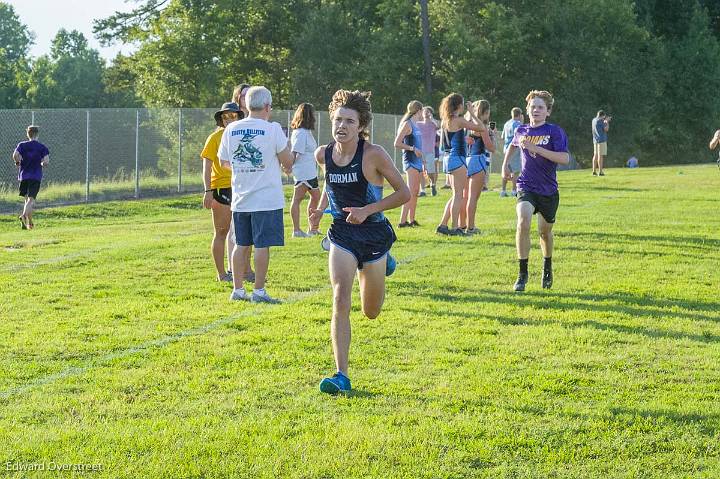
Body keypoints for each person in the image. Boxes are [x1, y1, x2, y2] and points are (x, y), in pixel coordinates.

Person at [309, 89, 410, 394]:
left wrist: (368, 210)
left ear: (361, 125)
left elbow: (404, 194)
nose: (341, 125)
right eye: (338, 119)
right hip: (341, 233)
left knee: (371, 312)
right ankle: (341, 375)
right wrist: (320, 209)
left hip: (374, 234)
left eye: (349, 121)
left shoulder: (374, 154)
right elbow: (331, 183)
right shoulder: (322, 154)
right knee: (340, 297)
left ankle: (385, 261)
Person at [219, 86, 293, 303]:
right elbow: (288, 161)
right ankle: (259, 291)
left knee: (241, 243)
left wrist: (245, 169)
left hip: (241, 199)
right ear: (268, 106)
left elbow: (223, 162)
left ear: (247, 105)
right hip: (267, 199)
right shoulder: (273, 129)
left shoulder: (231, 129)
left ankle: (238, 289)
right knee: (262, 245)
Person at [502, 90, 569, 292]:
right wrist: (505, 165)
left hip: (548, 190)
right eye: (533, 107)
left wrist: (537, 149)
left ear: (547, 111)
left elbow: (564, 159)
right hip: (526, 185)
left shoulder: (554, 132)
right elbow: (513, 146)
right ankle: (522, 274)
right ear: (527, 110)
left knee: (544, 232)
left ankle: (547, 266)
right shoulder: (521, 130)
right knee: (523, 220)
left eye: (540, 107)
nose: (536, 110)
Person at [201, 102, 242, 281]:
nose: (229, 119)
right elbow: (207, 165)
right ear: (221, 119)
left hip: (240, 185)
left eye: (233, 116)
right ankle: (221, 273)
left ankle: (241, 271)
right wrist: (208, 190)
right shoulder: (215, 137)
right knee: (222, 231)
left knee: (241, 232)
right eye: (225, 117)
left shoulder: (242, 135)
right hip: (221, 187)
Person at [435, 93, 485, 236]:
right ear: (458, 105)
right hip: (457, 159)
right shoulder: (459, 120)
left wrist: (463, 139)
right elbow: (481, 127)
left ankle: (443, 225)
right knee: (459, 195)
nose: (464, 106)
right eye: (463, 104)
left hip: (448, 159)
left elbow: (452, 138)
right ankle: (455, 228)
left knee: (454, 195)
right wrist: (472, 113)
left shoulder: (446, 120)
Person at [230, 83, 255, 282]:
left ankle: (246, 268)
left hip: (254, 185)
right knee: (236, 232)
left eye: (251, 95)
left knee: (251, 234)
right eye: (244, 96)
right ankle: (235, 270)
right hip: (238, 185)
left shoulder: (258, 122)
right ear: (238, 99)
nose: (247, 99)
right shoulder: (232, 121)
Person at [289, 103, 321, 237]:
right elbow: (295, 153)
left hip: (310, 171)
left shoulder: (306, 132)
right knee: (297, 199)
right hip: (303, 172)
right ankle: (296, 230)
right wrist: (288, 166)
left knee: (316, 197)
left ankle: (312, 229)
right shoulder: (300, 133)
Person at [464, 100, 495, 235]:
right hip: (478, 160)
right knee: (473, 197)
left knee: (464, 196)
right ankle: (470, 227)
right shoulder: (481, 126)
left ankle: (461, 224)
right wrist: (492, 136)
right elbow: (491, 147)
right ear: (485, 112)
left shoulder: (467, 123)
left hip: (467, 160)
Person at [394, 100, 424, 227]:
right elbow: (397, 143)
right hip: (410, 160)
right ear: (418, 111)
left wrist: (422, 157)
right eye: (422, 110)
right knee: (410, 191)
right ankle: (402, 221)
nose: (423, 113)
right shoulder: (407, 123)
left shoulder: (416, 124)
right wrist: (413, 149)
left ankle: (412, 220)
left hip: (417, 161)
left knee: (416, 191)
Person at [13, 125, 49, 230]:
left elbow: (15, 155)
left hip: (23, 176)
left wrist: (17, 162)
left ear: (27, 134)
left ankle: (29, 224)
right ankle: (24, 216)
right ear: (37, 134)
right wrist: (41, 164)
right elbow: (46, 161)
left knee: (27, 201)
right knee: (31, 200)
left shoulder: (22, 145)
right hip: (35, 176)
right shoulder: (42, 147)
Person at [501, 107, 524, 197]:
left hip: (506, 147)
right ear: (519, 115)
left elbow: (502, 137)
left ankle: (503, 191)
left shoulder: (507, 123)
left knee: (506, 169)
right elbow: (520, 134)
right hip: (514, 148)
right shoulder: (518, 123)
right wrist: (521, 123)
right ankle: (514, 190)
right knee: (516, 171)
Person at [417, 106, 440, 196]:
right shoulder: (418, 124)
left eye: (428, 112)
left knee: (430, 172)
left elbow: (439, 126)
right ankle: (422, 190)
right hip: (420, 151)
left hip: (430, 151)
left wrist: (432, 119)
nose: (426, 113)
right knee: (421, 171)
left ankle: (433, 184)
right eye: (425, 111)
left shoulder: (433, 124)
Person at [591, 110, 611, 176]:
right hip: (601, 140)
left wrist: (604, 121)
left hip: (595, 140)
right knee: (600, 156)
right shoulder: (601, 121)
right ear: (603, 116)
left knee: (595, 155)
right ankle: (600, 171)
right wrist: (607, 122)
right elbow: (606, 129)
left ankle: (594, 171)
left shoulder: (594, 120)